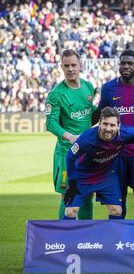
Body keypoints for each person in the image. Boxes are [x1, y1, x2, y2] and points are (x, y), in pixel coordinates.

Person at [95, 49, 134, 219]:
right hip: (115, 155)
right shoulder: (108, 88)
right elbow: (99, 116)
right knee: (117, 203)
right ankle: (118, 241)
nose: (126, 66)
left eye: (130, 63)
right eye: (123, 63)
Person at [63, 107, 134, 219]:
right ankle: (63, 236)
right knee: (70, 211)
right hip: (83, 177)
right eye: (105, 124)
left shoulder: (126, 133)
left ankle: (113, 237)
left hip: (106, 177)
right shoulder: (87, 138)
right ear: (99, 123)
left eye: (112, 125)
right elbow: (70, 157)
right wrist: (72, 184)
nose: (108, 128)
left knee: (116, 211)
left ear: (119, 126)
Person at [45, 49, 96, 220]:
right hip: (67, 151)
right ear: (61, 67)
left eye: (73, 65)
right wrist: (70, 137)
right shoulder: (56, 94)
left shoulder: (89, 87)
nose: (70, 69)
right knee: (68, 194)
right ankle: (63, 237)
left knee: (88, 193)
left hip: (88, 151)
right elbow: (50, 123)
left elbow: (90, 113)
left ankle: (86, 234)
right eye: (66, 66)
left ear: (80, 65)